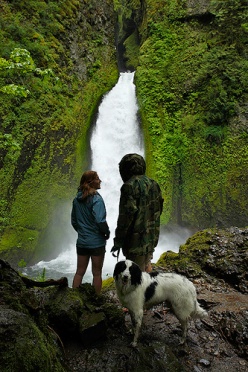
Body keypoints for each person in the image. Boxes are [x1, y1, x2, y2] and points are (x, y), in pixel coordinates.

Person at [111, 153, 164, 272]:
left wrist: (118, 241)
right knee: (147, 266)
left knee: (136, 275)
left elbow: (125, 217)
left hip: (135, 242)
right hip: (151, 237)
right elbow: (158, 209)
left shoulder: (129, 186)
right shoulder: (154, 184)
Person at [71, 170, 110, 294]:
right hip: (97, 242)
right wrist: (106, 232)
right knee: (97, 273)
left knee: (79, 272)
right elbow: (100, 220)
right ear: (90, 182)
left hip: (82, 241)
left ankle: (73, 299)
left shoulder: (76, 200)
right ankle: (97, 300)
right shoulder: (96, 199)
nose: (100, 181)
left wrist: (83, 232)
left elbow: (74, 221)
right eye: (98, 178)